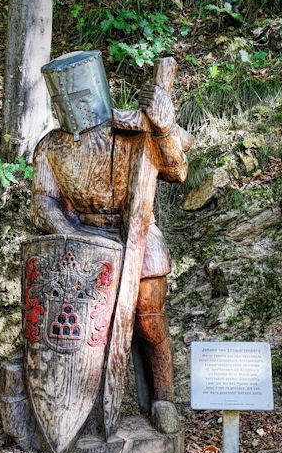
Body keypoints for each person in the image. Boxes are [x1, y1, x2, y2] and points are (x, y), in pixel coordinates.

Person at [29, 50, 191, 432]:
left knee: (150, 324)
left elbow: (176, 170)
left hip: (136, 235)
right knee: (84, 330)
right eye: (61, 100)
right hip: (83, 241)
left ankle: (163, 396)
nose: (71, 106)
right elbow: (42, 201)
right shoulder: (51, 147)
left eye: (79, 97)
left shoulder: (133, 130)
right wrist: (72, 234)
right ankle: (85, 408)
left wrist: (165, 128)